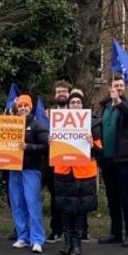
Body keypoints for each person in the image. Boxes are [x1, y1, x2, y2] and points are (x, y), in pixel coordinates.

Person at [53, 90, 100, 255]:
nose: (75, 105)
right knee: (65, 209)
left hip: (83, 172)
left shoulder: (92, 123)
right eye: (72, 103)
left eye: (78, 102)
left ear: (83, 105)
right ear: (68, 105)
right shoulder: (59, 122)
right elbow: (52, 148)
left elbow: (101, 151)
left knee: (80, 210)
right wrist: (51, 141)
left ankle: (77, 243)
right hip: (64, 171)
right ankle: (67, 242)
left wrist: (92, 144)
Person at [97, 75, 128, 247]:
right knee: (112, 197)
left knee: (125, 196)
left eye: (121, 85)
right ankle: (116, 232)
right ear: (109, 87)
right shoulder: (105, 107)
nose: (119, 88)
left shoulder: (127, 105)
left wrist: (118, 102)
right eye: (116, 85)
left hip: (124, 160)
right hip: (107, 159)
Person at [8, 95, 49, 253]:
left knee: (32, 203)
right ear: (17, 108)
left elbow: (46, 146)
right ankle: (22, 237)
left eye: (26, 105)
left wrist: (29, 147)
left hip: (31, 169)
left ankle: (37, 239)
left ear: (31, 107)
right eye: (20, 106)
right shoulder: (10, 124)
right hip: (14, 168)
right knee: (17, 203)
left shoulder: (37, 125)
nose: (23, 108)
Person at [45, 80, 73, 242]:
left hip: (72, 161)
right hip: (52, 162)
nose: (61, 94)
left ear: (69, 94)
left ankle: (72, 230)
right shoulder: (46, 114)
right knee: (55, 197)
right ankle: (56, 230)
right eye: (58, 91)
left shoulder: (78, 113)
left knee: (71, 197)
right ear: (54, 95)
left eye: (64, 91)